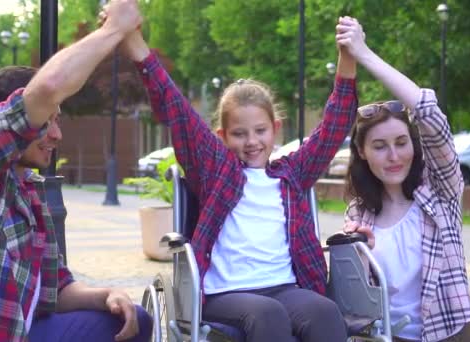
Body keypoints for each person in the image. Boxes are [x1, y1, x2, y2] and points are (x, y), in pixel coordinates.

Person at [118, 16, 359, 342]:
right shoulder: (218, 173)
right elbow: (178, 110)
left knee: (325, 311)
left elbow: (333, 128)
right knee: (268, 315)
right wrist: (137, 46)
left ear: (276, 129)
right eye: (239, 134)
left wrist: (347, 57)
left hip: (285, 287)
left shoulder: (291, 175)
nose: (251, 142)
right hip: (227, 293)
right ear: (222, 136)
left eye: (260, 131)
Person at [0, 1, 152, 341]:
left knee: (135, 319)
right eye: (46, 121)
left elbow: (56, 287)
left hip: (27, 328)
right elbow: (49, 88)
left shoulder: (30, 190)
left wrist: (107, 294)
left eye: (58, 121)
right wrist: (113, 30)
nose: (57, 135)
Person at [337, 17, 470, 342]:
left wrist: (364, 53)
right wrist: (359, 256)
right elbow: (353, 306)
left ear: (413, 144)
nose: (394, 156)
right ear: (362, 152)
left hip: (450, 335)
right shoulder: (358, 214)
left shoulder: (440, 192)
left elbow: (428, 110)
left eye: (401, 143)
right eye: (380, 146)